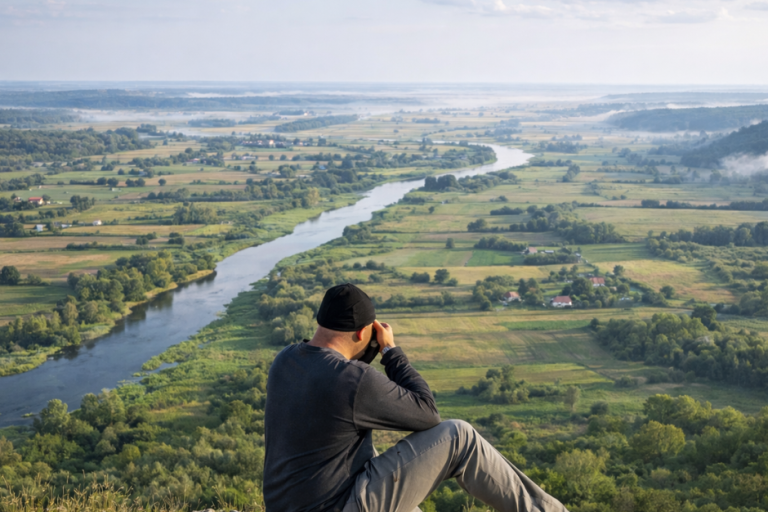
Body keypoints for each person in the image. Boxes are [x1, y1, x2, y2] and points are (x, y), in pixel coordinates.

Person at [264, 283, 568, 512]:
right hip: (338, 505)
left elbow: (333, 398)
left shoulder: (285, 360)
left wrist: (361, 358)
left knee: (387, 475)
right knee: (459, 436)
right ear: (361, 334)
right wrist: (389, 351)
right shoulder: (350, 378)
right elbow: (427, 413)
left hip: (292, 504)